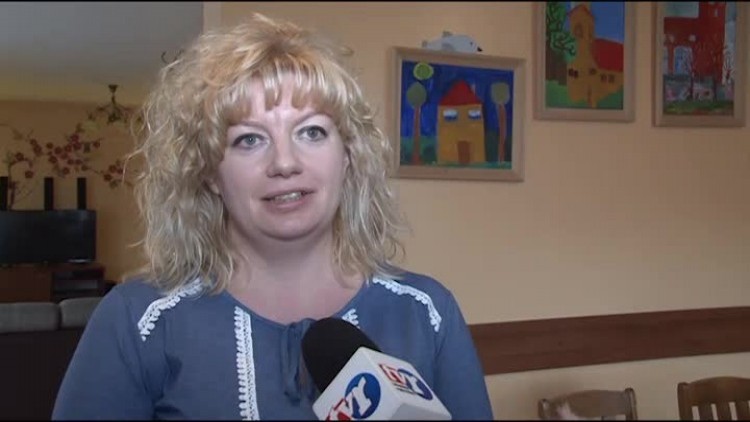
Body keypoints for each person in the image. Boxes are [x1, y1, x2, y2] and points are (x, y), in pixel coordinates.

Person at [52, 13, 493, 420]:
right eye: (249, 140)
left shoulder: (427, 312)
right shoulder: (138, 321)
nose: (284, 162)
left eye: (311, 132)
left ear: (347, 156)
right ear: (209, 173)